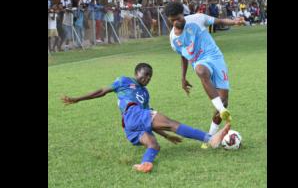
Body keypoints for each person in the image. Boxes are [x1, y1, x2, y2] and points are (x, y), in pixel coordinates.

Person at [61, 63, 231, 173]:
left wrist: (166, 136)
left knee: (154, 145)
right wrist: (77, 99)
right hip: (131, 113)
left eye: (150, 77)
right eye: (144, 75)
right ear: (136, 73)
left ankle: (145, 164)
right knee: (171, 123)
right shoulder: (124, 81)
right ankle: (209, 138)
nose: (147, 78)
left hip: (132, 126)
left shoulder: (145, 93)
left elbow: (150, 120)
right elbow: (101, 91)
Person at [164, 2, 245, 149]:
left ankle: (210, 136)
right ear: (169, 20)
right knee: (201, 70)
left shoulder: (197, 19)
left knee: (224, 100)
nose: (176, 21)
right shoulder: (173, 40)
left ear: (183, 14)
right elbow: (183, 56)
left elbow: (219, 21)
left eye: (179, 18)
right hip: (200, 62)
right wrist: (183, 77)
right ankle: (222, 110)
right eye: (173, 20)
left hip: (216, 58)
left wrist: (235, 21)